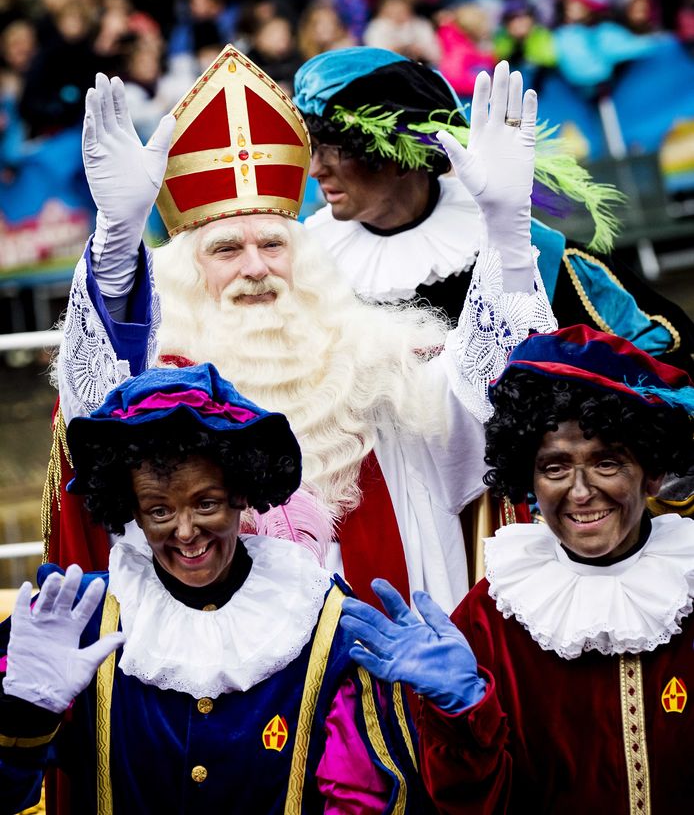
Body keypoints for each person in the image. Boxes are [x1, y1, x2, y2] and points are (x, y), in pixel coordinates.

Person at [46, 45, 555, 612]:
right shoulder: (155, 393)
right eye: (226, 250)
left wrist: (507, 230)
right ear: (186, 274)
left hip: (382, 674)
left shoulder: (379, 368)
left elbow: (499, 398)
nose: (257, 267)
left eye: (273, 245)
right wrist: (117, 239)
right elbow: (90, 407)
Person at [0, 363, 424, 814]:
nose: (185, 531)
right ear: (133, 513)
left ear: (241, 494)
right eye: (159, 511)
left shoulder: (325, 623)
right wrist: (25, 719)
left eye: (206, 503)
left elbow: (370, 799)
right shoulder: (76, 623)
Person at [338, 324, 694, 812]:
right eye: (554, 468)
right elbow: (475, 803)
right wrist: (462, 713)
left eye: (607, 463)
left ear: (650, 470)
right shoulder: (488, 616)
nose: (581, 490)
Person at [293, 46, 694, 373]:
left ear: (401, 154)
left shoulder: (524, 252)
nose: (315, 169)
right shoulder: (307, 264)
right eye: (314, 147)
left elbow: (660, 354)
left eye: (336, 149)